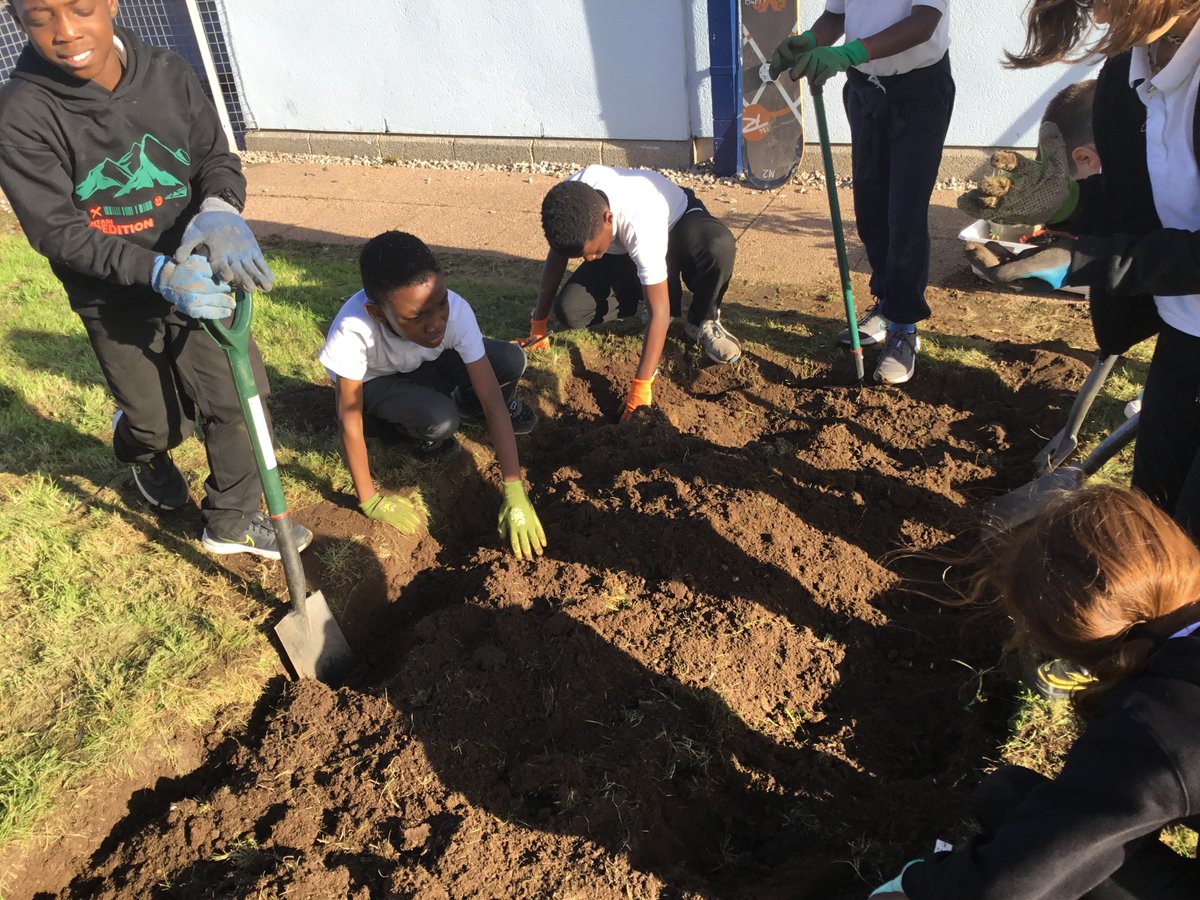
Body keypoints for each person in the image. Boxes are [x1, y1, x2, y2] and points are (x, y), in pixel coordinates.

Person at [0, 0, 308, 560]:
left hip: (200, 278)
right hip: (110, 295)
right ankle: (143, 450)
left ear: (111, 3)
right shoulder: (21, 113)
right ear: (19, 21)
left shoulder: (168, 73)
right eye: (41, 16)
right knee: (159, 425)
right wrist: (155, 272)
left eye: (80, 8)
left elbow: (215, 155)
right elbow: (55, 231)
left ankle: (230, 521)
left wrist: (220, 206)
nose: (66, 32)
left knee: (241, 400)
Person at [871, 486, 1200, 899]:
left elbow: (1006, 888)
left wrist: (913, 888)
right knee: (1008, 799)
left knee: (1024, 820)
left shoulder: (1156, 726)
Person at [958, 0, 1200, 540]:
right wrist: (1062, 205)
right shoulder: (1128, 71)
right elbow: (1137, 205)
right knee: (1157, 526)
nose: (1098, 16)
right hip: (1187, 330)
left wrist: (1088, 260)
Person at [319, 231, 546, 559]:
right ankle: (417, 435)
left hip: (424, 361)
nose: (436, 323)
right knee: (440, 420)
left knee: (510, 359)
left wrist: (515, 491)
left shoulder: (454, 310)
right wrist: (369, 498)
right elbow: (348, 419)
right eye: (417, 317)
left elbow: (491, 398)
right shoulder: (354, 331)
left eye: (440, 304)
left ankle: (450, 402)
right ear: (378, 313)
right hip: (375, 380)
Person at [770, 0, 954, 385]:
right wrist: (809, 40)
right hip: (865, 90)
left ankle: (904, 325)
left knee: (905, 213)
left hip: (919, 92)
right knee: (871, 209)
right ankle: (887, 303)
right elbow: (837, 15)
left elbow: (923, 24)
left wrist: (852, 50)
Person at [520, 165, 739, 421]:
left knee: (718, 246)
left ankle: (702, 319)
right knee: (570, 311)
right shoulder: (569, 203)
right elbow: (557, 257)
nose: (589, 259)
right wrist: (539, 325)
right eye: (582, 254)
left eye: (590, 251)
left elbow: (660, 312)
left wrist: (641, 386)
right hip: (623, 247)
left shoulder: (640, 219)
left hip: (678, 222)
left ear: (608, 219)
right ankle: (649, 290)